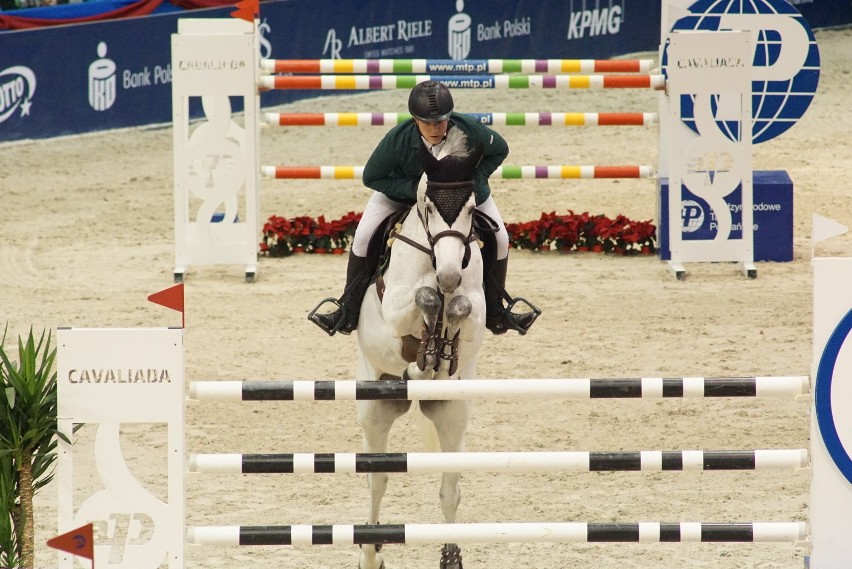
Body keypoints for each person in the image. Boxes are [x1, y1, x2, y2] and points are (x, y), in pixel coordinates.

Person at [309, 80, 539, 337]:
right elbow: (371, 177)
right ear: (414, 120)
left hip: (460, 194)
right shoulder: (398, 139)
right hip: (404, 194)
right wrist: (414, 191)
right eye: (427, 123)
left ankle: (497, 312)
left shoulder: (469, 129)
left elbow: (500, 150)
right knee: (363, 237)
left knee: (500, 237)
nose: (435, 128)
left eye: (440, 121)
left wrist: (475, 179)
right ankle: (347, 310)